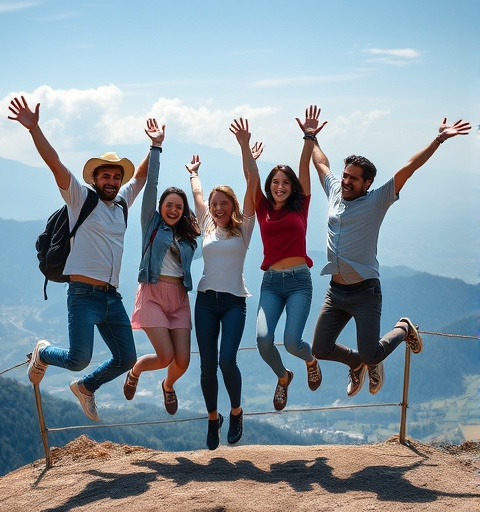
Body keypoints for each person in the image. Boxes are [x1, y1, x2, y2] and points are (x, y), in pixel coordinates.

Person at [8, 96, 149, 422]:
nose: (112, 182)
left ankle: (86, 388)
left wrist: (155, 146)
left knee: (127, 357)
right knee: (77, 358)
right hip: (83, 296)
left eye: (116, 177)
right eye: (106, 177)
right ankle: (43, 352)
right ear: (94, 179)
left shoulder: (122, 203)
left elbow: (140, 177)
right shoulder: (80, 198)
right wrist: (35, 129)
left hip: (112, 298)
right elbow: (55, 163)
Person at [311, 116, 472, 396]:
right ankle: (357, 364)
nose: (346, 181)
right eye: (345, 175)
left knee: (373, 353)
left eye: (353, 178)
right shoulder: (335, 191)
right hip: (335, 292)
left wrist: (439, 139)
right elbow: (321, 163)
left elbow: (409, 168)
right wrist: (312, 138)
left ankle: (403, 328)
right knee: (320, 348)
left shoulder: (377, 200)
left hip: (364, 292)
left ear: (368, 182)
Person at [230, 106, 326, 412]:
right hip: (271, 283)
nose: (280, 186)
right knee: (263, 340)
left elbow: (304, 167)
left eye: (285, 182)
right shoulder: (262, 208)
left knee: (293, 342)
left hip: (299, 281)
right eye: (276, 182)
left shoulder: (302, 205)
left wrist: (308, 137)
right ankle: (283, 377)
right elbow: (251, 176)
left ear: (292, 186)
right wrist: (245, 145)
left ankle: (309, 360)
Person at [185, 141, 260, 450]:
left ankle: (236, 412)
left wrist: (249, 157)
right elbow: (198, 196)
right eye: (214, 204)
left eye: (223, 203)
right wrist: (193, 174)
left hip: (233, 302)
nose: (216, 208)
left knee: (227, 360)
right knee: (207, 365)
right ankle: (213, 419)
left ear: (232, 205)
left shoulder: (244, 228)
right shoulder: (206, 225)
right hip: (204, 301)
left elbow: (252, 186)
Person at [123, 119, 199, 415]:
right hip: (153, 294)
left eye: (178, 206)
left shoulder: (188, 235)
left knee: (183, 361)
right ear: (160, 207)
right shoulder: (150, 223)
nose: (173, 209)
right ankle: (136, 371)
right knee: (165, 355)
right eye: (169, 204)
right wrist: (156, 146)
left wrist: (196, 180)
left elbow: (203, 210)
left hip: (179, 299)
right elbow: (151, 185)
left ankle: (168, 386)